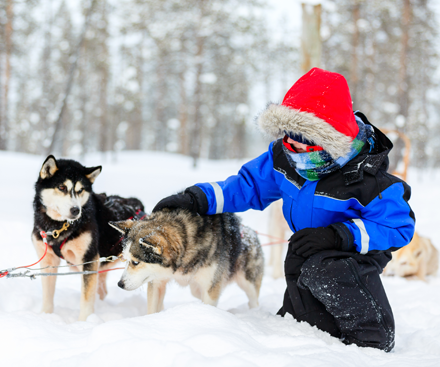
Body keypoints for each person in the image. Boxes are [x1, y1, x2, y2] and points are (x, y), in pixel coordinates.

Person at [153, 68, 415, 352]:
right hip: (308, 243)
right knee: (301, 265)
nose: (297, 146)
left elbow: (398, 226)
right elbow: (247, 186)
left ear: (332, 137)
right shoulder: (286, 157)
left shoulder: (369, 179)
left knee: (327, 269)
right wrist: (196, 199)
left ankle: (372, 337)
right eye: (290, 135)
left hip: (354, 252)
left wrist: (339, 235)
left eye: (307, 138)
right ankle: (311, 328)